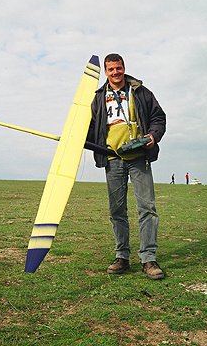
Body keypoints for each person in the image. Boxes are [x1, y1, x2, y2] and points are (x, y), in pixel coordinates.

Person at [87, 53, 166, 280]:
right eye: (111, 69)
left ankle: (148, 259)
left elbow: (158, 117)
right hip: (112, 158)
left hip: (139, 156)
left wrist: (153, 136)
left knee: (147, 208)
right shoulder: (99, 97)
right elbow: (90, 127)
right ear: (105, 72)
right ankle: (122, 257)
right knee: (117, 211)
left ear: (124, 68)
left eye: (118, 68)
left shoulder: (140, 91)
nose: (115, 73)